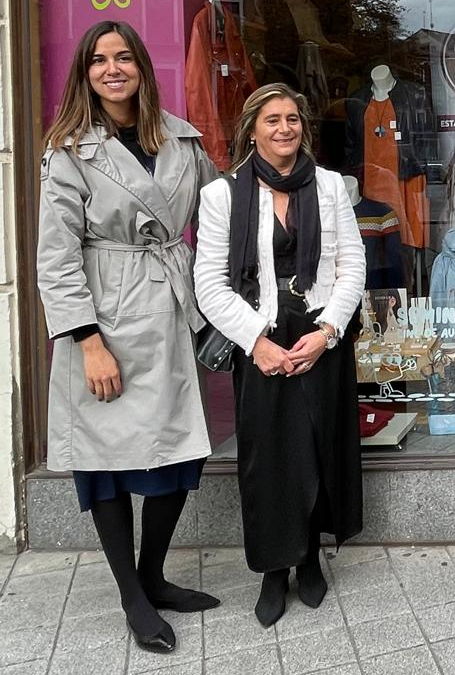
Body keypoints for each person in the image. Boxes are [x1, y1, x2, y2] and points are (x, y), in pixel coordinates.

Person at [36, 21, 220, 654]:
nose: (111, 69)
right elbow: (55, 258)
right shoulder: (68, 151)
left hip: (171, 309)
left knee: (176, 450)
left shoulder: (182, 139)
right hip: (105, 316)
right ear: (84, 73)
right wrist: (87, 342)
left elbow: (220, 212)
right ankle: (132, 596)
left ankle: (153, 576)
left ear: (142, 65)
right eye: (97, 60)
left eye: (122, 57)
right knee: (107, 460)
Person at [194, 83, 366, 627]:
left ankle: (310, 557)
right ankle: (274, 570)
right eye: (272, 119)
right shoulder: (223, 195)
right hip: (261, 336)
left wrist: (329, 331)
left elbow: (352, 267)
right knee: (268, 458)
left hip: (319, 333)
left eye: (292, 118)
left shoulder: (331, 187)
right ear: (253, 129)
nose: (284, 128)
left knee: (317, 448)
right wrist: (257, 343)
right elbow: (210, 284)